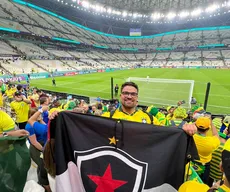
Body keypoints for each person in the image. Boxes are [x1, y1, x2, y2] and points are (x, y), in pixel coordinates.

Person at [26, 106, 51, 192]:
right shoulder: (29, 126)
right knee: (43, 166)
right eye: (37, 114)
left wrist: (40, 119)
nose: (40, 115)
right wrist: (44, 150)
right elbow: (34, 142)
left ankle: (41, 182)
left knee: (41, 167)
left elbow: (46, 129)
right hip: (37, 148)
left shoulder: (38, 122)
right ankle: (46, 186)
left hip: (43, 146)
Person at [193, 117, 220, 184]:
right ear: (208, 129)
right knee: (202, 184)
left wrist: (196, 122)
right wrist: (210, 122)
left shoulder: (191, 136)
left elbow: (187, 125)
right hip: (204, 166)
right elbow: (216, 135)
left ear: (195, 126)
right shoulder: (211, 141)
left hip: (191, 162)